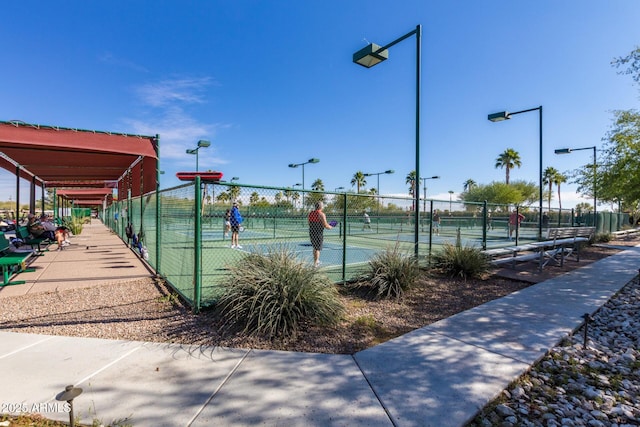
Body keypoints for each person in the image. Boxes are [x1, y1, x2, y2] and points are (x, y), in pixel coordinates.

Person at [308, 201, 333, 267]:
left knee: (315, 247)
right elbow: (325, 225)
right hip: (318, 233)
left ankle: (316, 260)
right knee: (317, 248)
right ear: (321, 206)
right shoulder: (321, 214)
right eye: (323, 205)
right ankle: (316, 263)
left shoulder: (310, 213)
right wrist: (330, 227)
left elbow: (309, 223)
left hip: (312, 231)